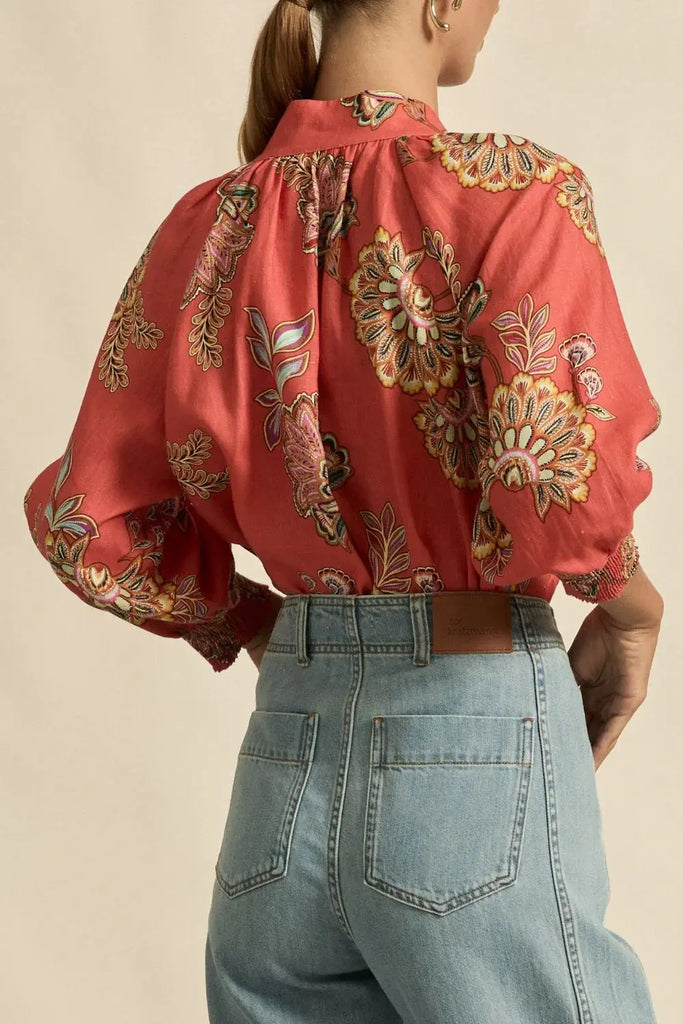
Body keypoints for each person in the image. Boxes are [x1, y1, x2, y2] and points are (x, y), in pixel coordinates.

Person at [22, 0, 664, 1021]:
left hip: (286, 757)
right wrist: (631, 611)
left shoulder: (208, 226)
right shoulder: (512, 194)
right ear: (439, 2)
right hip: (466, 726)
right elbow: (558, 482)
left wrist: (257, 623)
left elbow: (82, 519)